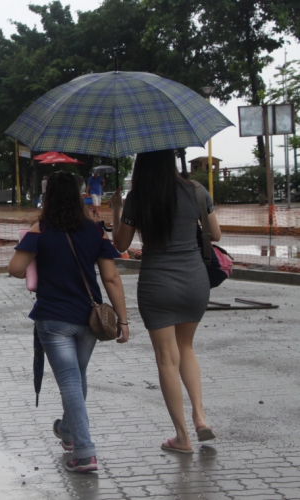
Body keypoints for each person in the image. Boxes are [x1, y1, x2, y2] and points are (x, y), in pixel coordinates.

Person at [8, 172, 129, 473]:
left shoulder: (41, 230)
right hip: (88, 320)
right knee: (77, 377)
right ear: (78, 197)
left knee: (71, 380)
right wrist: (124, 321)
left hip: (53, 319)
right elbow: (111, 277)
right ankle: (68, 433)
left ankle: (85, 452)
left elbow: (15, 269)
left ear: (48, 198)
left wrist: (36, 253)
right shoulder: (94, 232)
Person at [111, 150, 221, 454]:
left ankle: (182, 437)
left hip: (157, 284)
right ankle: (200, 418)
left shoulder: (138, 196)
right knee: (186, 348)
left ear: (142, 164)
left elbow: (121, 244)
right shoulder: (196, 190)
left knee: (166, 358)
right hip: (195, 282)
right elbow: (217, 234)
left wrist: (117, 209)